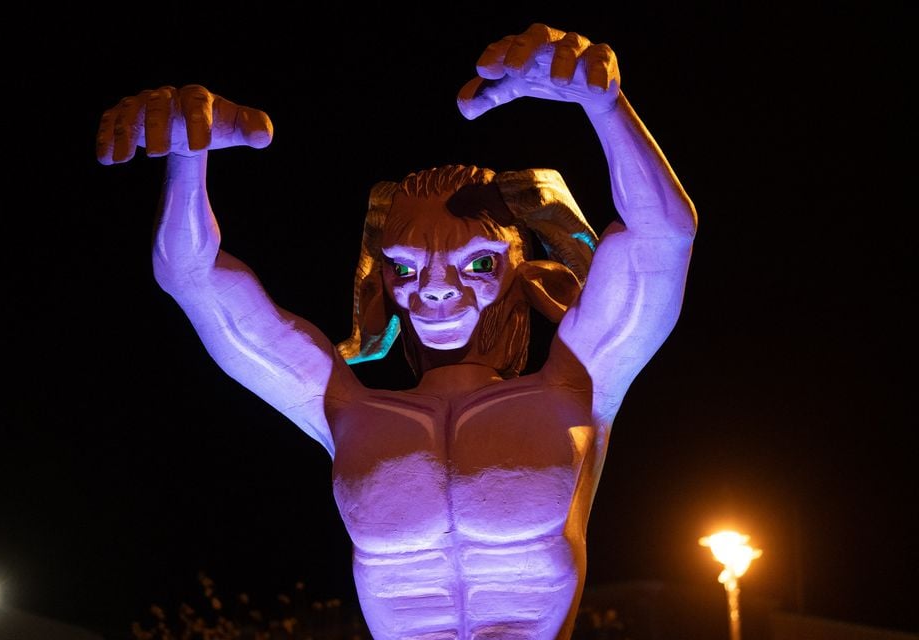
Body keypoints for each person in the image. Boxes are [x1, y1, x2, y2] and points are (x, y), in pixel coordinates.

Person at [97, 23, 696, 640]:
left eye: (478, 262)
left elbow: (661, 240)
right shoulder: (345, 409)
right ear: (380, 280)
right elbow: (193, 279)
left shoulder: (580, 384)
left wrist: (606, 107)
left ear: (529, 268)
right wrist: (186, 161)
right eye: (406, 267)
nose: (436, 288)